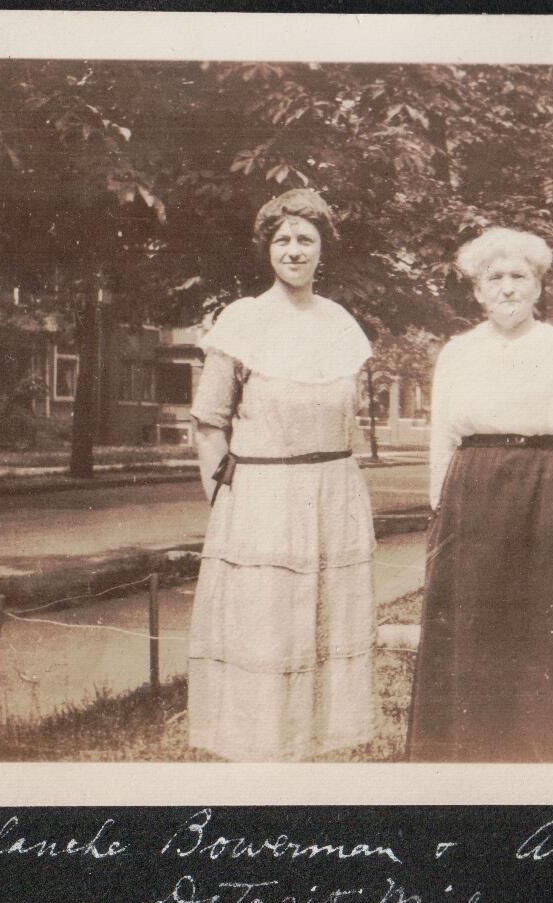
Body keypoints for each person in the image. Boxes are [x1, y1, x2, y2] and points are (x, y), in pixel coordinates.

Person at [406, 227, 553, 763]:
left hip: (545, 501)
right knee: (473, 635)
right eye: (495, 277)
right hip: (471, 503)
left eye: (519, 276)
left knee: (543, 639)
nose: (507, 288)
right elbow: (442, 442)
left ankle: (549, 758)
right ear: (477, 291)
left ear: (538, 287)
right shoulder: (457, 353)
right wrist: (442, 511)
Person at [188, 189, 376, 761]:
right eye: (282, 240)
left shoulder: (340, 323)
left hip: (335, 494)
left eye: (305, 240)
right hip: (264, 499)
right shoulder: (242, 320)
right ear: (266, 249)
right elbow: (209, 424)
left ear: (323, 249)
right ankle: (258, 753)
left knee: (327, 624)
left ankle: (318, 747)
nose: (294, 250)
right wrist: (227, 503)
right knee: (265, 628)